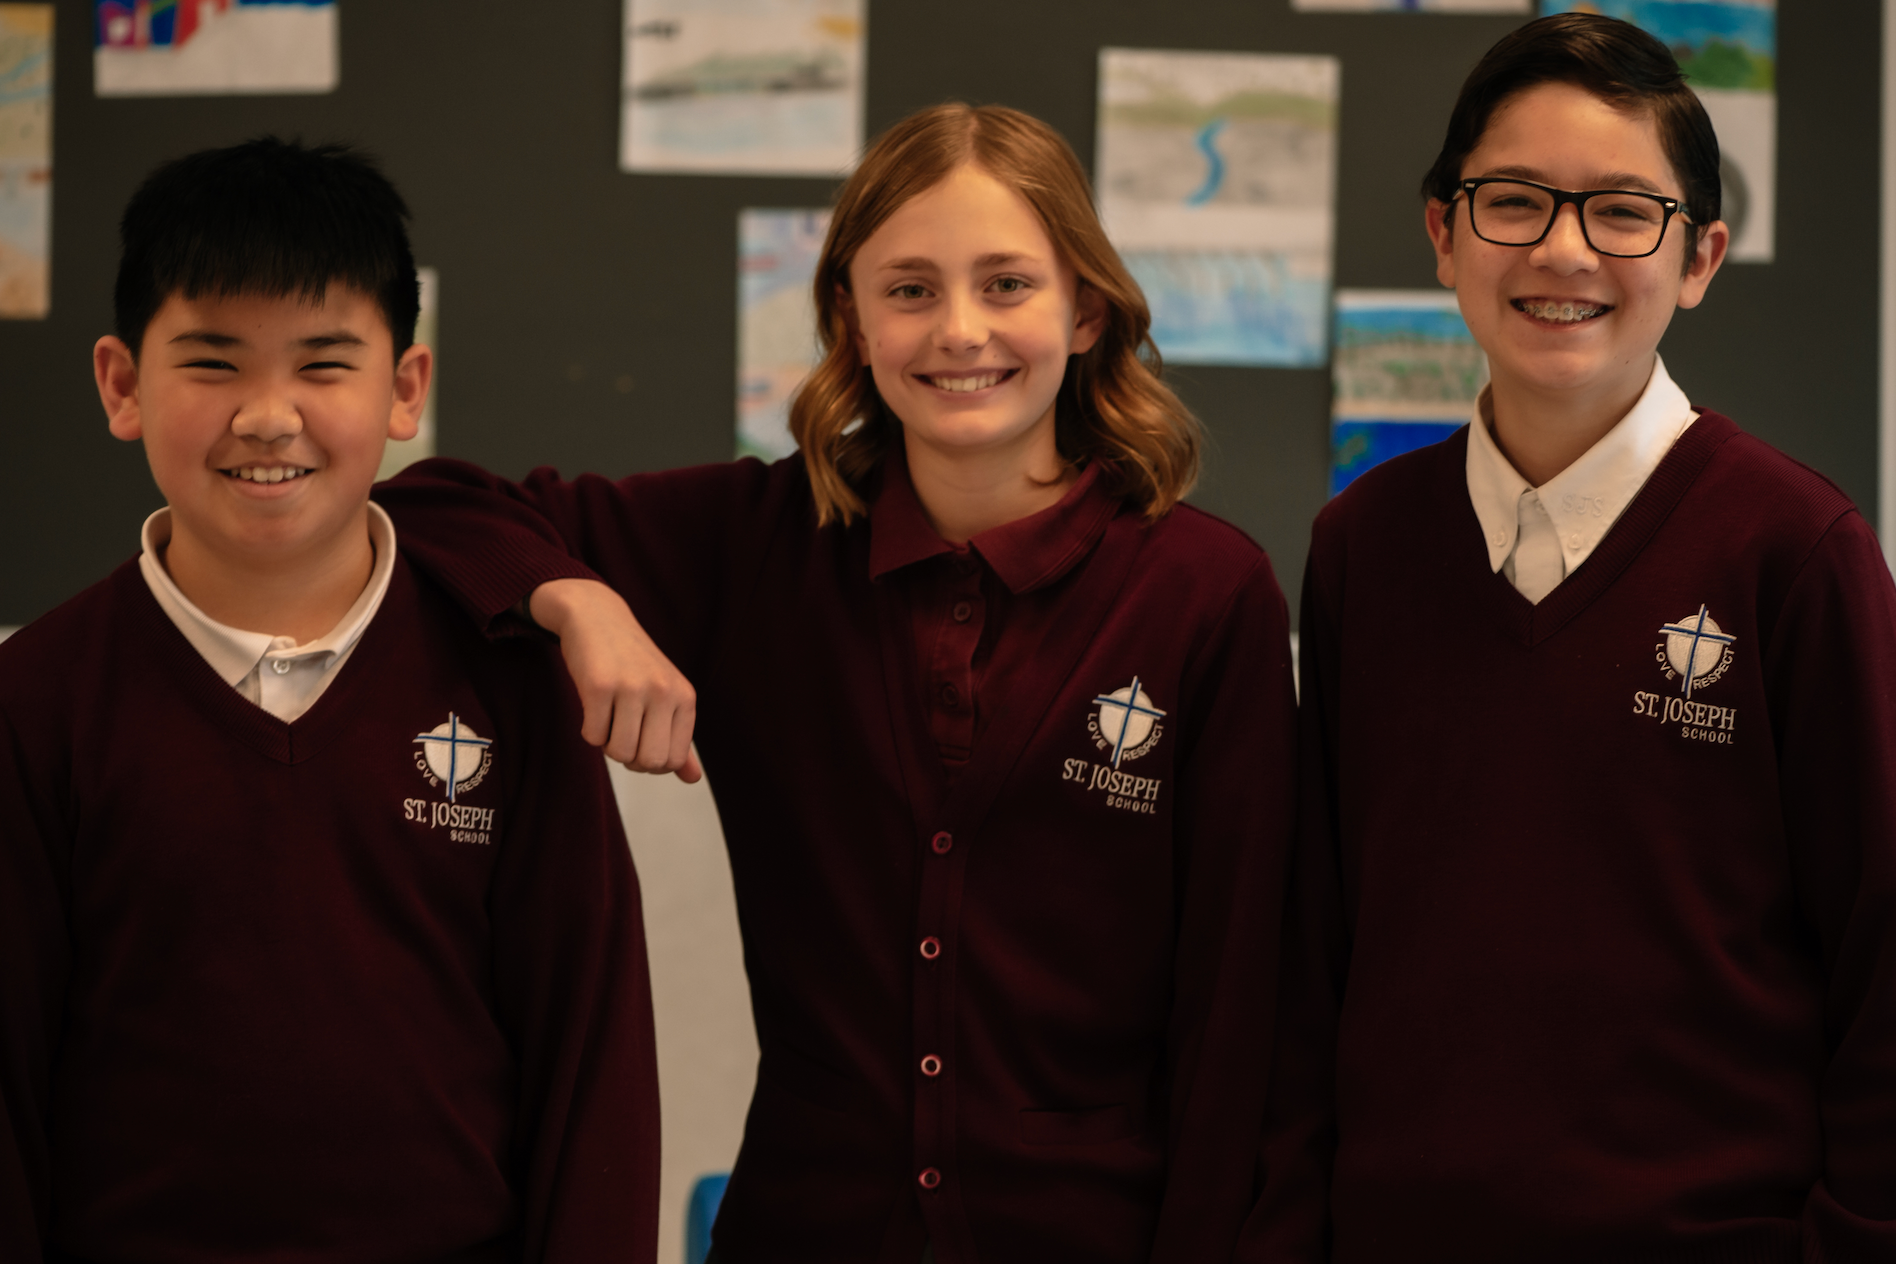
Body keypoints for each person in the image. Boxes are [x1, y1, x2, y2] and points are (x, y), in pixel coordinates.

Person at [374, 104, 1298, 1264]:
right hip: (805, 1226)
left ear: (1086, 309)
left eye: (1007, 284)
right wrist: (582, 601)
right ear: (852, 323)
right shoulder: (764, 541)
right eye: (909, 289)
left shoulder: (1206, 591)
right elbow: (426, 507)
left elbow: (1239, 1016)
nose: (961, 331)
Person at [1291, 13, 1896, 1260]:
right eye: (1514, 200)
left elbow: (1884, 962)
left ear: (1701, 257)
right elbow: (1313, 948)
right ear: (1443, 232)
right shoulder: (1364, 545)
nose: (1563, 250)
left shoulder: (1796, 550)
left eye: (1624, 211)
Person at [0, 139, 661, 1263]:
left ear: (406, 389)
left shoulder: (509, 683)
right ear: (121, 384)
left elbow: (589, 1062)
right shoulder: (35, 701)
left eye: (323, 363)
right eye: (211, 363)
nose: (268, 416)